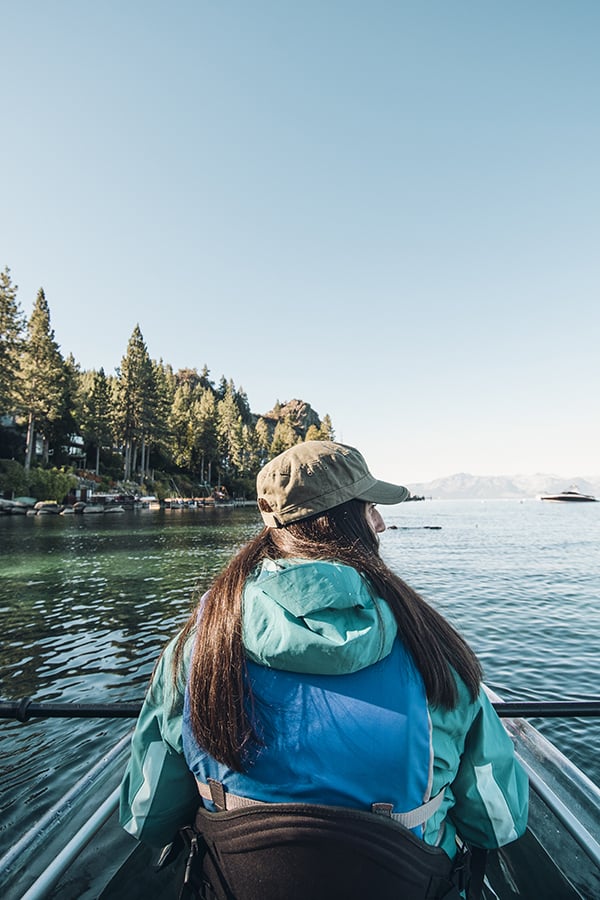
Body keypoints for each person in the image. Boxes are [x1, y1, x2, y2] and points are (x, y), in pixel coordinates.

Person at [120, 440, 528, 890]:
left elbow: (147, 815)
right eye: (370, 508)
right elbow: (498, 822)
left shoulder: (197, 649)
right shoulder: (436, 656)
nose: (381, 523)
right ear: (343, 521)